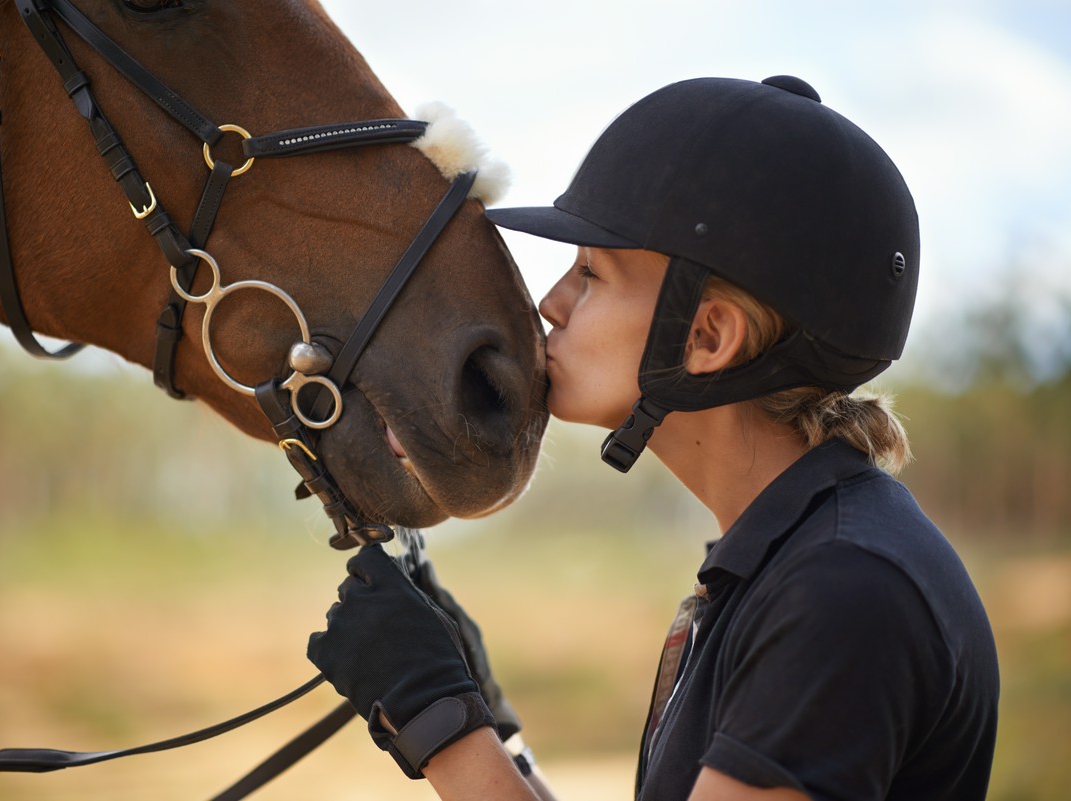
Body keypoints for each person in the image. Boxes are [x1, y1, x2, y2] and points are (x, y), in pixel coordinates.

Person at [306, 75, 999, 800]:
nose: (551, 303)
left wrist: (441, 727)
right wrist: (488, 719)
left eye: (591, 273)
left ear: (706, 337)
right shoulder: (793, 561)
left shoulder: (844, 590)